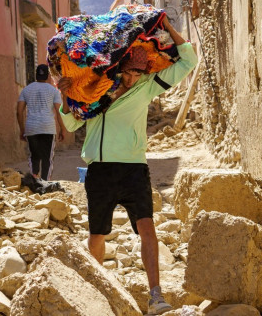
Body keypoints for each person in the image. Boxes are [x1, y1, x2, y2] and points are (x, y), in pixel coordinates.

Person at [57, 17, 198, 315]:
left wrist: (168, 26)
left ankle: (156, 295)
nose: (134, 77)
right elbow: (70, 122)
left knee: (147, 228)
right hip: (100, 170)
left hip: (134, 168)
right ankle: (96, 292)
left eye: (138, 71)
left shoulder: (146, 87)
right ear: (118, 68)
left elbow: (188, 60)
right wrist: (65, 95)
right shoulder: (94, 92)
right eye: (130, 70)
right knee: (97, 234)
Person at [17, 64, 65, 181]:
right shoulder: (53, 91)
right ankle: (44, 182)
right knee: (46, 158)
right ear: (48, 76)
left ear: (36, 75)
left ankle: (34, 179)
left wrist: (22, 130)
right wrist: (62, 129)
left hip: (31, 128)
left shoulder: (26, 90)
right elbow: (59, 112)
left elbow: (19, 112)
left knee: (34, 156)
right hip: (48, 128)